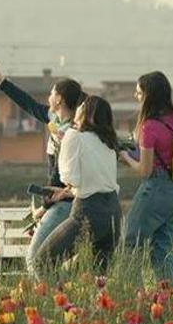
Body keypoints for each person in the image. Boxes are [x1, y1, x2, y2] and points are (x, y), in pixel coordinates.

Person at [0, 63, 85, 276]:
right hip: (60, 203)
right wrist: (1, 81)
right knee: (50, 264)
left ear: (59, 100)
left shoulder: (70, 134)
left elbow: (60, 180)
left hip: (64, 204)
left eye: (52, 93)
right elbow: (28, 104)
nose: (48, 96)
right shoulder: (55, 121)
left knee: (35, 259)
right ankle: (63, 298)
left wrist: (45, 206)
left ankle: (54, 300)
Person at [35, 96, 122, 279]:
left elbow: (68, 176)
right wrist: (68, 191)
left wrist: (65, 145)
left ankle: (60, 303)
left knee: (42, 262)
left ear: (88, 114)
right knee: (100, 276)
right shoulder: (109, 143)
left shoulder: (74, 136)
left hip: (88, 212)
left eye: (82, 105)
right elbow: (94, 182)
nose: (78, 107)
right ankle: (81, 303)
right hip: (113, 213)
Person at [119, 71, 173, 286]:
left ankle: (134, 299)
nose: (136, 96)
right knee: (161, 251)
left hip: (157, 189)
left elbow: (145, 170)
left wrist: (124, 157)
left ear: (148, 95)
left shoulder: (149, 126)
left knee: (129, 244)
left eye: (139, 93)